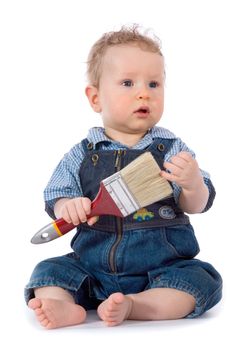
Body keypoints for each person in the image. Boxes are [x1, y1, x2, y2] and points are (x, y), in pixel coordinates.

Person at [25, 25, 222, 329]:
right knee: (48, 271)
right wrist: (69, 206)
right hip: (92, 267)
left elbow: (197, 203)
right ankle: (64, 306)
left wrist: (193, 184)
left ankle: (138, 305)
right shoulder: (81, 154)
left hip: (162, 269)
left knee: (202, 279)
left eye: (154, 84)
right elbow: (56, 195)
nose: (143, 92)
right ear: (95, 98)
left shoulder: (171, 149)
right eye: (128, 82)